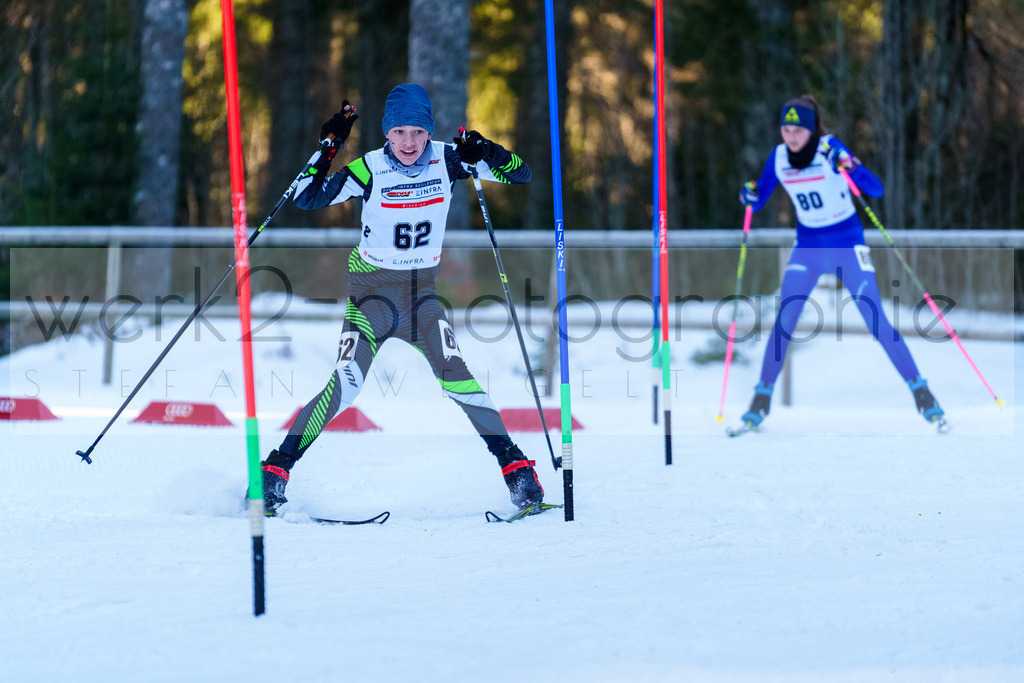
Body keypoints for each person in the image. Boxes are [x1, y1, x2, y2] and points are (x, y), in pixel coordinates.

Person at [259, 83, 542, 513]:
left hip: (421, 299)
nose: (409, 142)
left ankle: (518, 472)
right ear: (386, 133)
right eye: (399, 132)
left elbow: (521, 173)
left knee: (458, 378)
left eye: (418, 132)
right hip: (370, 299)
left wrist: (486, 149)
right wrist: (329, 144)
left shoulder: (450, 159)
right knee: (345, 387)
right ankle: (274, 473)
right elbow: (305, 197)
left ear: (429, 132)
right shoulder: (370, 169)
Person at [737, 94, 944, 429]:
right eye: (785, 130)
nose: (790, 137)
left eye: (797, 131)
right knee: (785, 320)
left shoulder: (829, 148)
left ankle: (921, 391)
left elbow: (875, 189)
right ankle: (760, 400)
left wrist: (849, 165)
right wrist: (749, 195)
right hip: (807, 247)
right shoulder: (778, 157)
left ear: (810, 131)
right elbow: (758, 196)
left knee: (874, 319)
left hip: (847, 244)